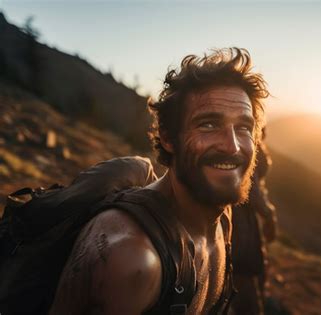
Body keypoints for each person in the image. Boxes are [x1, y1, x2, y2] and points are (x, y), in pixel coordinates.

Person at [48, 47, 269, 315]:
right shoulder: (131, 259)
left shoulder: (222, 217)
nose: (232, 146)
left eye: (244, 127)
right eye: (209, 124)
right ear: (167, 137)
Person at [230, 133, 277, 315]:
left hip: (242, 217)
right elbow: (252, 189)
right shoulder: (246, 147)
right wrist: (268, 214)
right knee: (245, 279)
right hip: (240, 219)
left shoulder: (248, 144)